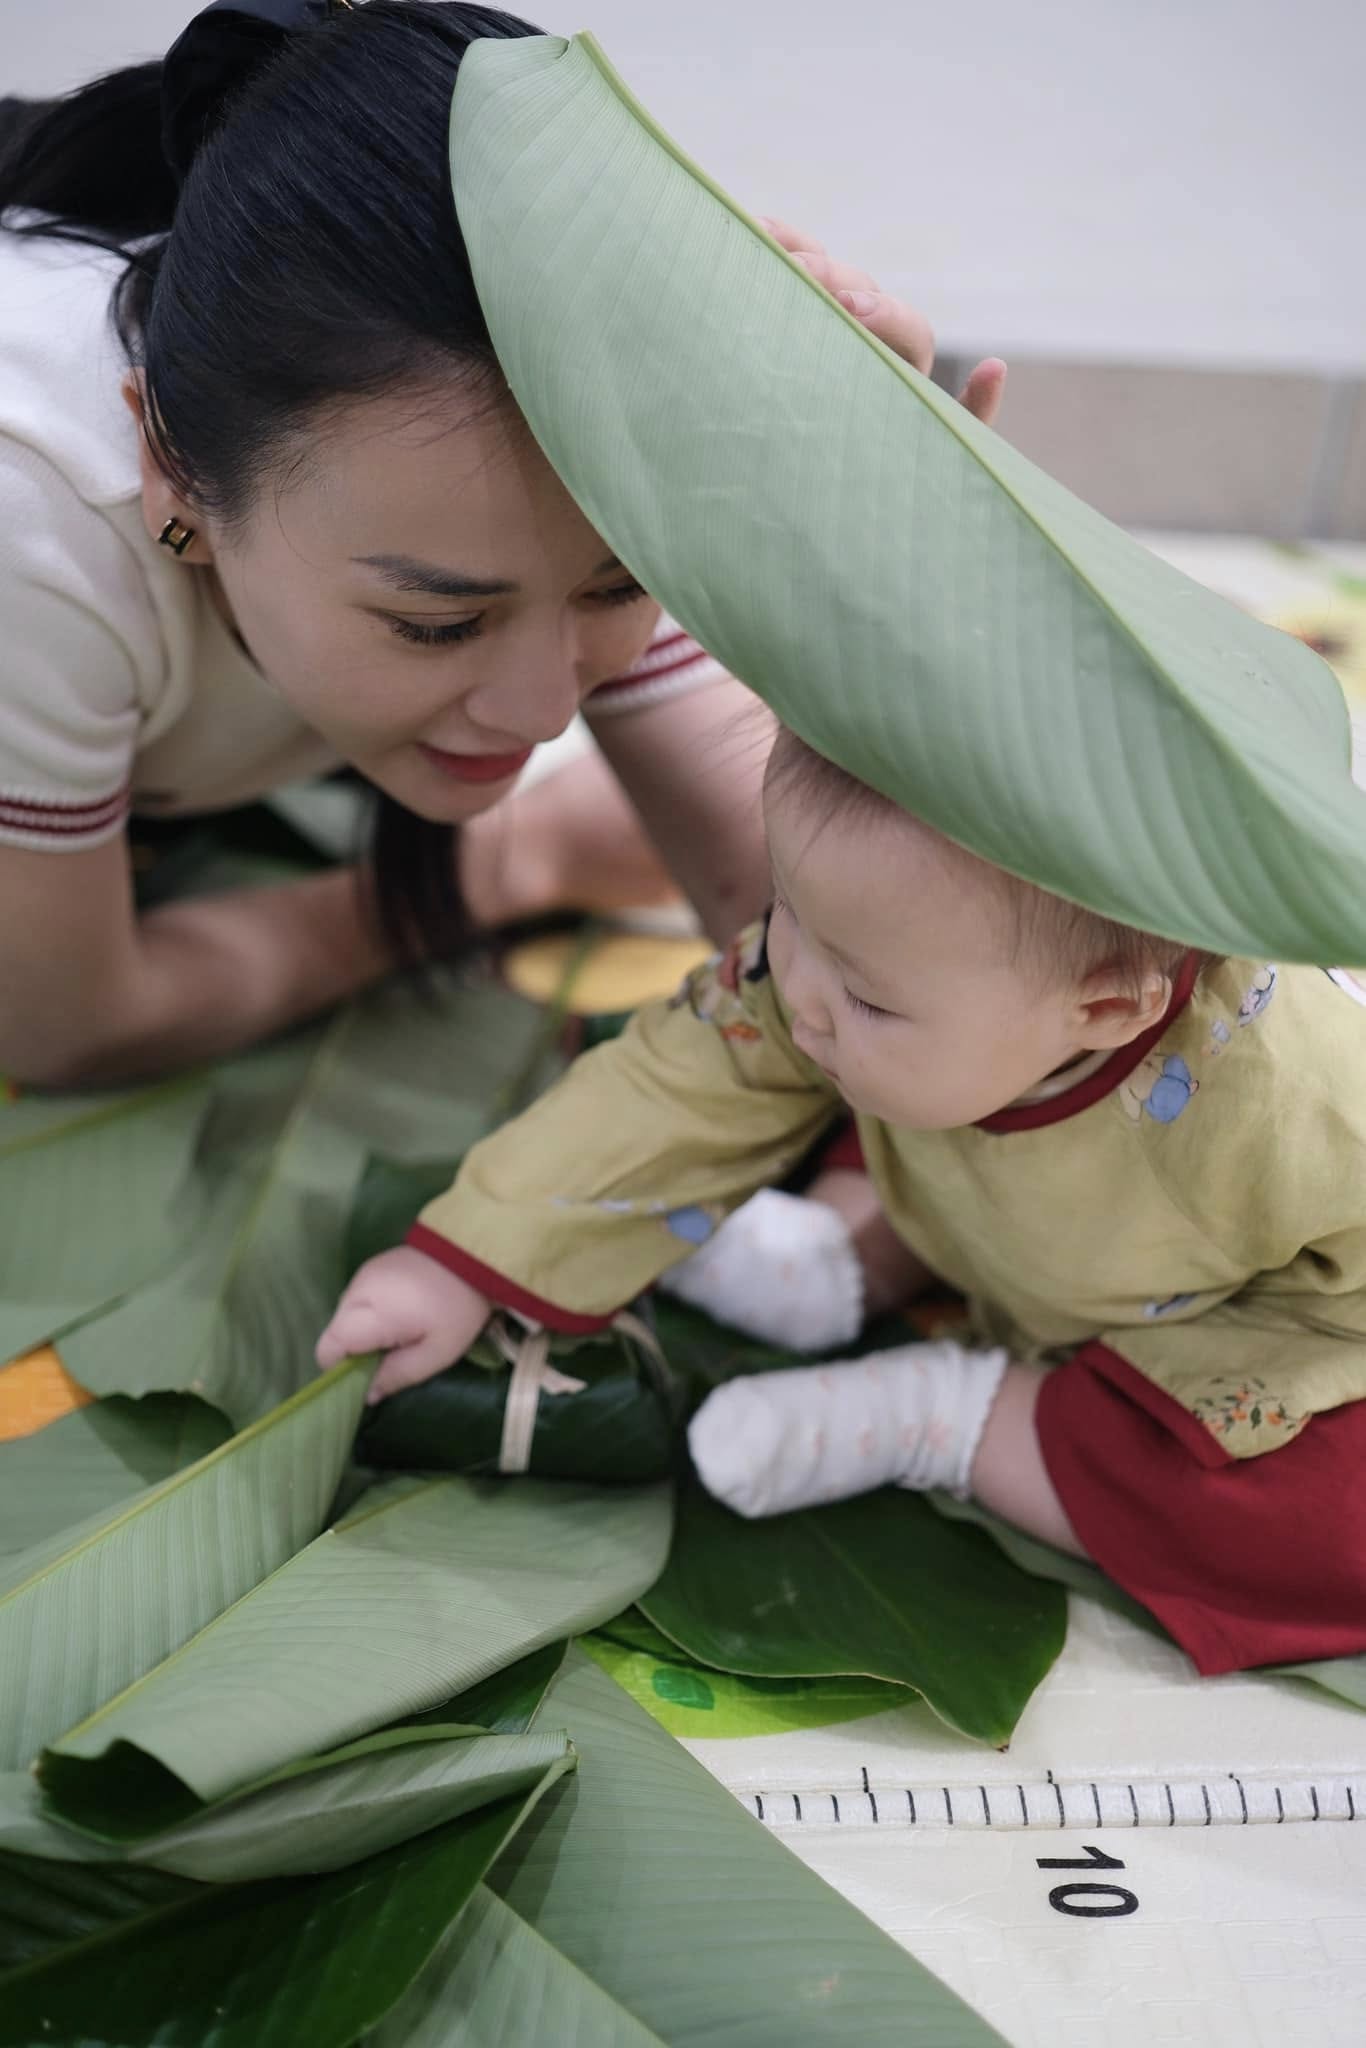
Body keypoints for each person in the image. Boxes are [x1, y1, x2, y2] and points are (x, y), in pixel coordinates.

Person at [0, 0, 1005, 1098]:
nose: (541, 712)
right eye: (437, 623)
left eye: (621, 583)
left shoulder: (554, 439)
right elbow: (66, 1025)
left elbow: (861, 966)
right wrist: (530, 857)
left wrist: (866, 551)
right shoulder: (34, 502)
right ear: (173, 469)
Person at [319, 721, 1366, 1677]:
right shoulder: (880, 975)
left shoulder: (1308, 1101)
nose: (801, 986)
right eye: (787, 913)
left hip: (1269, 1313)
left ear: (1102, 1007)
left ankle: (950, 1418)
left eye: (864, 990)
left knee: (1330, 1525)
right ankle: (841, 1256)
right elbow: (688, 1077)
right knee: (763, 1048)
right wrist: (461, 1260)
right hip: (1002, 1194)